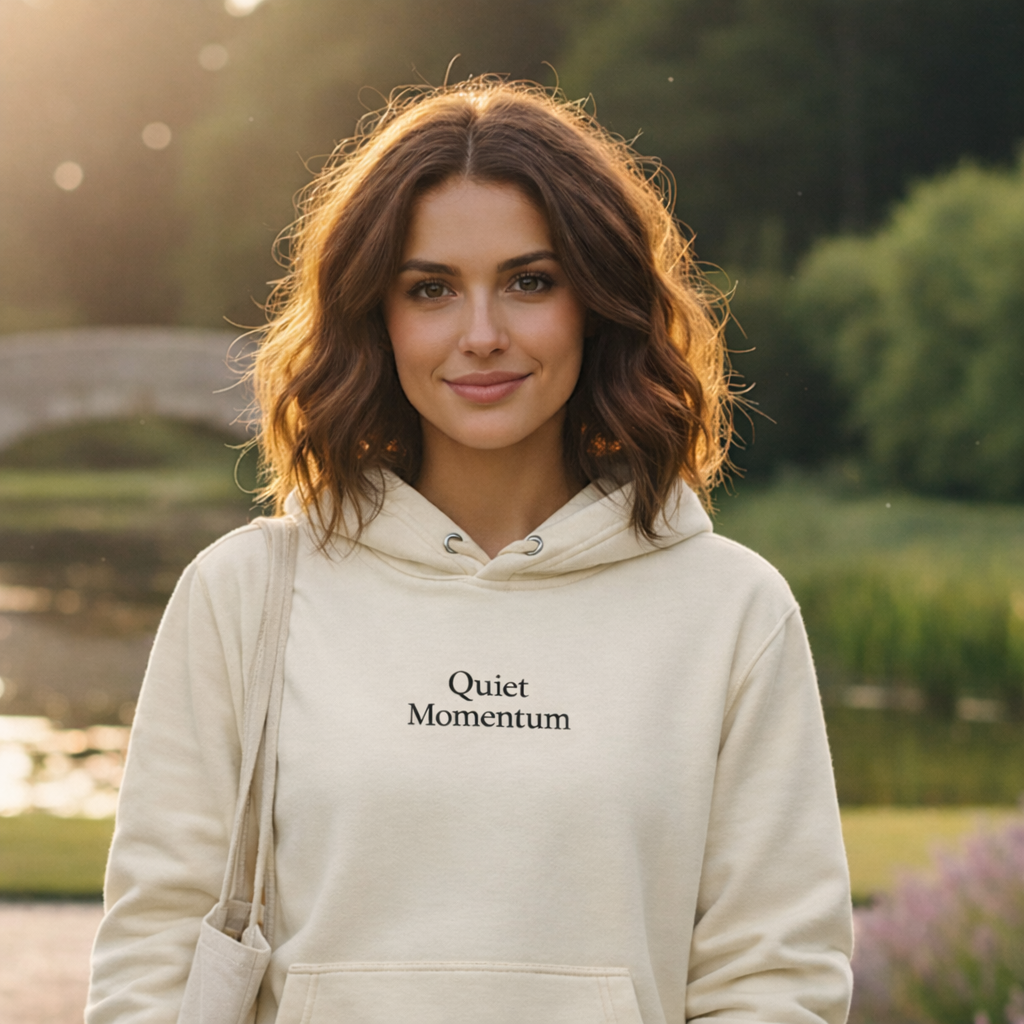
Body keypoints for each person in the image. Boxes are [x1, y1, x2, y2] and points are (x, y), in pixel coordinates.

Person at [87, 78, 853, 1024]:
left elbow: (775, 979)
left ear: (596, 304)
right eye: (432, 290)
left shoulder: (731, 610)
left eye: (531, 283)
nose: (482, 335)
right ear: (376, 314)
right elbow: (152, 960)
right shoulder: (242, 596)